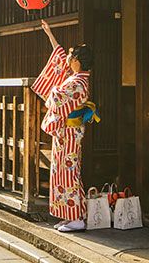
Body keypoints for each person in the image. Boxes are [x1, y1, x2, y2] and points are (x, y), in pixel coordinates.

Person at [32, 20, 95, 233]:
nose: (67, 59)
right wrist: (50, 34)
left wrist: (53, 93)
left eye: (71, 56)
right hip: (65, 133)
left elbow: (56, 98)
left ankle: (77, 217)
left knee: (69, 173)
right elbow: (59, 56)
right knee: (61, 172)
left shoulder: (78, 83)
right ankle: (68, 215)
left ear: (77, 61)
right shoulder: (76, 78)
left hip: (70, 132)